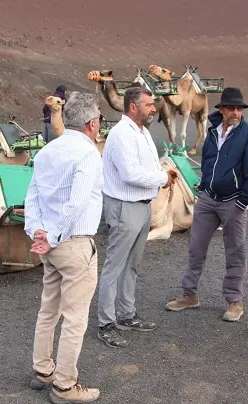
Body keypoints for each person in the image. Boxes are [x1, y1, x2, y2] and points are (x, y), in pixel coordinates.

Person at [24, 91, 104, 404]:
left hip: (51, 246)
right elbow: (77, 202)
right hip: (73, 244)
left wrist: (38, 232)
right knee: (75, 318)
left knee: (49, 311)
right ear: (93, 123)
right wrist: (54, 236)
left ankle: (42, 370)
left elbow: (32, 197)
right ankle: (65, 386)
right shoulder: (88, 154)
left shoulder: (46, 152)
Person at [165, 87, 248, 321]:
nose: (236, 112)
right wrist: (204, 184)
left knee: (235, 251)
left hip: (233, 202)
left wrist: (243, 200)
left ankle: (235, 301)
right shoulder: (213, 132)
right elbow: (208, 160)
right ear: (222, 109)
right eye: (232, 108)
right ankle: (190, 294)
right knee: (195, 248)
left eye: (239, 108)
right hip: (208, 199)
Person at [96, 87, 177, 348]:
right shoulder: (121, 135)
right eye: (149, 104)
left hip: (141, 207)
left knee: (132, 264)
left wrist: (160, 174)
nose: (154, 108)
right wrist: (163, 178)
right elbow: (130, 174)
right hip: (124, 206)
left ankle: (126, 314)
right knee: (115, 265)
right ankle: (106, 323)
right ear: (133, 107)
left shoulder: (141, 133)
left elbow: (145, 169)